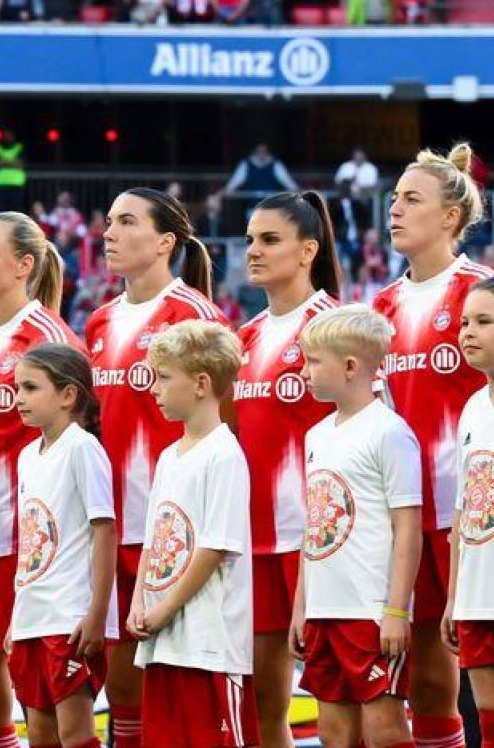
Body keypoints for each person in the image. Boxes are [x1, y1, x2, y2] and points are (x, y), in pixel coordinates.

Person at [84, 189, 221, 748]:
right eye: (109, 221)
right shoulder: (98, 321)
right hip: (111, 530)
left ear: (166, 241)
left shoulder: (191, 315)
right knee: (123, 695)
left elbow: (221, 425)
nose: (108, 233)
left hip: (174, 534)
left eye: (126, 222)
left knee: (184, 690)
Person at [374, 143, 494, 748]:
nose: (393, 208)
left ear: (450, 217)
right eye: (393, 198)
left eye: (411, 199)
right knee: (426, 676)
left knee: (487, 671)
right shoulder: (381, 306)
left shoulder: (481, 295)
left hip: (475, 518)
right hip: (407, 518)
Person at [0, 212, 78, 748]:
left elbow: (74, 441)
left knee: (32, 685)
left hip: (27, 542)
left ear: (24, 264)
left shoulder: (47, 337)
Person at [235, 192, 342, 748]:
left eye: (269, 240)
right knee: (262, 705)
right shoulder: (245, 338)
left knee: (338, 709)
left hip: (320, 543)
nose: (253, 251)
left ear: (307, 251)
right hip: (253, 542)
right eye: (250, 239)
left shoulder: (334, 327)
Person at [291, 307, 424, 748]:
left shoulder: (390, 432)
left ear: (350, 366)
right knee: (334, 732)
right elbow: (316, 529)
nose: (304, 371)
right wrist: (301, 607)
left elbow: (407, 527)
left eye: (313, 361)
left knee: (385, 727)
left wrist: (396, 610)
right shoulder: (316, 435)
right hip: (323, 610)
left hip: (369, 610)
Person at [125, 323, 254, 748]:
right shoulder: (168, 457)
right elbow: (154, 540)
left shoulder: (224, 455)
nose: (154, 388)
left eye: (164, 377)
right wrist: (139, 602)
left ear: (201, 384)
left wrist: (167, 608)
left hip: (209, 644)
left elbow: (215, 546)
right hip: (165, 642)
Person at [10, 345, 115, 748]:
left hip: (68, 616)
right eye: (18, 388)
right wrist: (16, 618)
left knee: (75, 735)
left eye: (31, 388)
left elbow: (104, 531)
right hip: (31, 616)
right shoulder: (26, 456)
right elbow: (32, 543)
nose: (19, 398)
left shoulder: (82, 447)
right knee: (39, 735)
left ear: (68, 395)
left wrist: (97, 615)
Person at [448, 278, 494, 746]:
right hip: (477, 598)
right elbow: (464, 516)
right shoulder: (470, 409)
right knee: (488, 725)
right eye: (465, 322)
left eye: (484, 322)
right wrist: (453, 598)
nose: (468, 331)